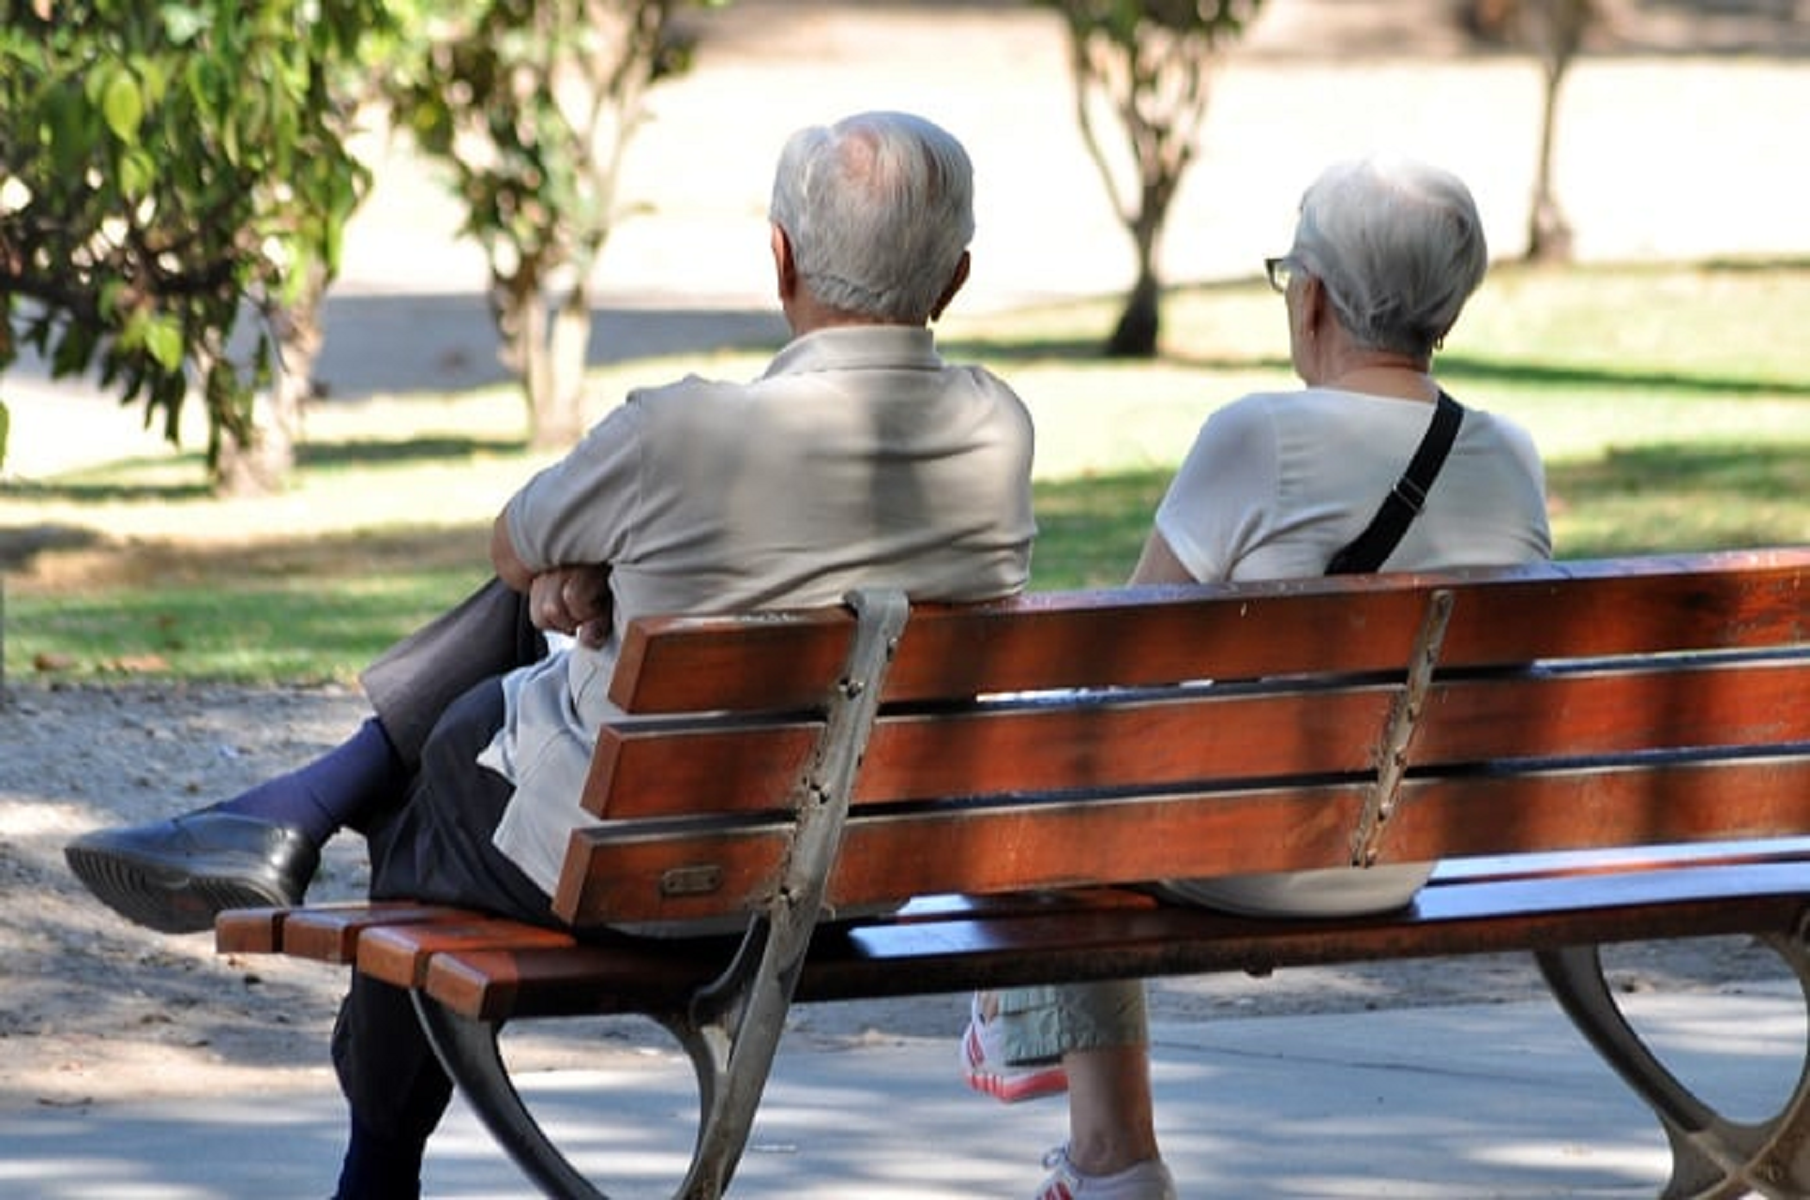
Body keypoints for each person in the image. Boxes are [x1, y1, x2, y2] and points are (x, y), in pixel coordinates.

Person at [77, 110, 1039, 1199]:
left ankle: (370, 1141)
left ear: (779, 258)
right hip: (863, 881)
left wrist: (570, 574)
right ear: (953, 281)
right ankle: (297, 809)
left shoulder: (679, 435)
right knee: (465, 732)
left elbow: (510, 544)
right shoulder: (999, 430)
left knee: (435, 783)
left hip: (647, 877)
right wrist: (602, 575)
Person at [959, 154, 1552, 1200]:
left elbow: (1117, 665)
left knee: (1039, 778)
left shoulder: (1259, 437)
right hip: (1409, 854)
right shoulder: (1509, 457)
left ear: (1314, 297)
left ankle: (1107, 1146)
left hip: (1243, 858)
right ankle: (1052, 1062)